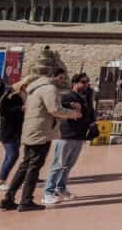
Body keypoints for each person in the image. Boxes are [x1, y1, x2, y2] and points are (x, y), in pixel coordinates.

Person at [0, 68, 82, 212]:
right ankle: (26, 201)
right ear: (52, 77)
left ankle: (8, 198)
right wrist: (73, 113)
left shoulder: (36, 89)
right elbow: (54, 109)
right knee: (34, 167)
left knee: (24, 166)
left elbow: (44, 106)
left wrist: (67, 106)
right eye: (61, 78)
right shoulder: (50, 89)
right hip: (41, 132)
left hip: (32, 130)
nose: (63, 81)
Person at [42, 72, 95, 205]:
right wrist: (71, 105)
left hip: (79, 135)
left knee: (68, 165)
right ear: (75, 84)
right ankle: (48, 192)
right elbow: (58, 106)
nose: (86, 84)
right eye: (83, 82)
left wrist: (93, 124)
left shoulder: (86, 97)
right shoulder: (67, 96)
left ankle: (61, 188)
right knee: (58, 164)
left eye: (87, 82)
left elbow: (90, 112)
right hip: (66, 135)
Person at [0, 78, 29, 191]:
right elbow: (3, 110)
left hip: (16, 132)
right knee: (13, 155)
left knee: (9, 156)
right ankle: (1, 182)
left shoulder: (21, 96)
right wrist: (21, 109)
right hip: (8, 132)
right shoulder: (11, 95)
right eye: (25, 86)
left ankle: (2, 179)